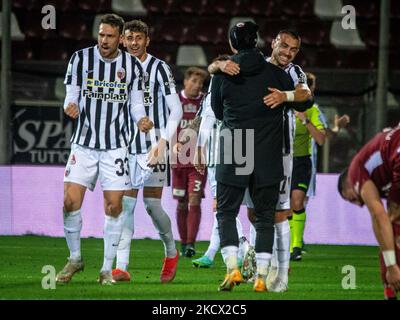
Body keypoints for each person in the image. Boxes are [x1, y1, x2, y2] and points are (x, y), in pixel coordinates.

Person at [210, 21, 310, 292]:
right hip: (269, 150)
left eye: (294, 49)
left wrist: (285, 96)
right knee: (261, 215)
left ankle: (273, 275)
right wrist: (216, 65)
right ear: (270, 42)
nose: (288, 53)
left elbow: (306, 96)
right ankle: (261, 274)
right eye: (284, 46)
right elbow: (306, 99)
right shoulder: (272, 71)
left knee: (264, 213)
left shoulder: (289, 72)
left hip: (250, 147)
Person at [56, 14, 153, 285]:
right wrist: (69, 105)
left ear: (120, 38)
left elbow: (135, 104)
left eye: (110, 36)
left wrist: (142, 119)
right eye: (101, 35)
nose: (104, 40)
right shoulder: (80, 59)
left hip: (115, 148)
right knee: (69, 202)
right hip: (84, 144)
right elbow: (71, 94)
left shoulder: (132, 66)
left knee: (114, 206)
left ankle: (106, 269)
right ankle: (75, 258)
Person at [112, 20, 182, 283]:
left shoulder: (159, 69)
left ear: (147, 41)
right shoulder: (116, 69)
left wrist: (164, 141)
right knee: (126, 205)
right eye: (129, 38)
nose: (133, 43)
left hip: (154, 146)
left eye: (138, 38)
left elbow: (175, 109)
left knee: (152, 206)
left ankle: (171, 253)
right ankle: (121, 267)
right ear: (122, 40)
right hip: (126, 147)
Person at [338, 125, 400, 299]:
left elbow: (379, 216)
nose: (358, 204)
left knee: (391, 219)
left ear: (349, 184)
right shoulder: (380, 171)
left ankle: (390, 283)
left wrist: (391, 267)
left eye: (351, 198)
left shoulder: (355, 172)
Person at [302, 72, 350, 255]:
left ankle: (293, 240)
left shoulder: (292, 105)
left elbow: (325, 135)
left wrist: (337, 127)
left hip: (292, 160)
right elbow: (327, 135)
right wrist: (337, 127)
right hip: (304, 160)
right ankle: (293, 241)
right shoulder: (311, 108)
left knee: (295, 200)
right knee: (299, 200)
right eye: (312, 87)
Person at [172, 66, 208, 258]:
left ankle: (191, 244)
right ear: (185, 82)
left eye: (200, 83)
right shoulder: (174, 101)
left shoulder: (205, 102)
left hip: (197, 162)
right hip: (178, 161)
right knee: (182, 202)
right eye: (194, 81)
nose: (197, 86)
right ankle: (183, 242)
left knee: (194, 199)